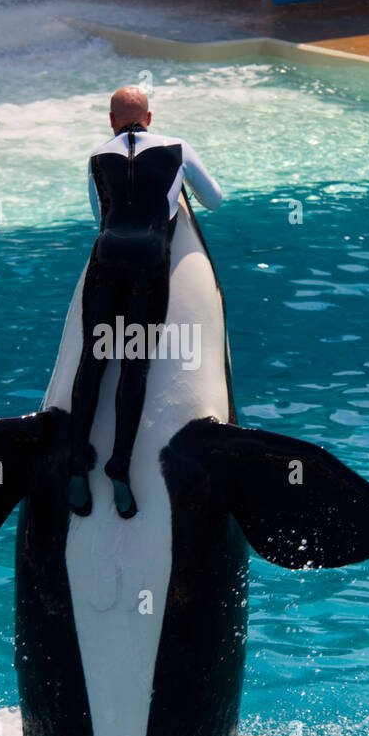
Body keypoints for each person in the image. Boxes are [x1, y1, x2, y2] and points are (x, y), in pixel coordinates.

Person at [68, 86, 222, 520]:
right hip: (150, 266)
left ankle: (77, 464)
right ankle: (120, 466)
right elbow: (215, 199)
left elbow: (97, 216)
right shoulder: (177, 147)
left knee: (93, 363)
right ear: (149, 117)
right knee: (134, 363)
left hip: (107, 259)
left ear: (112, 121)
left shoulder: (97, 156)